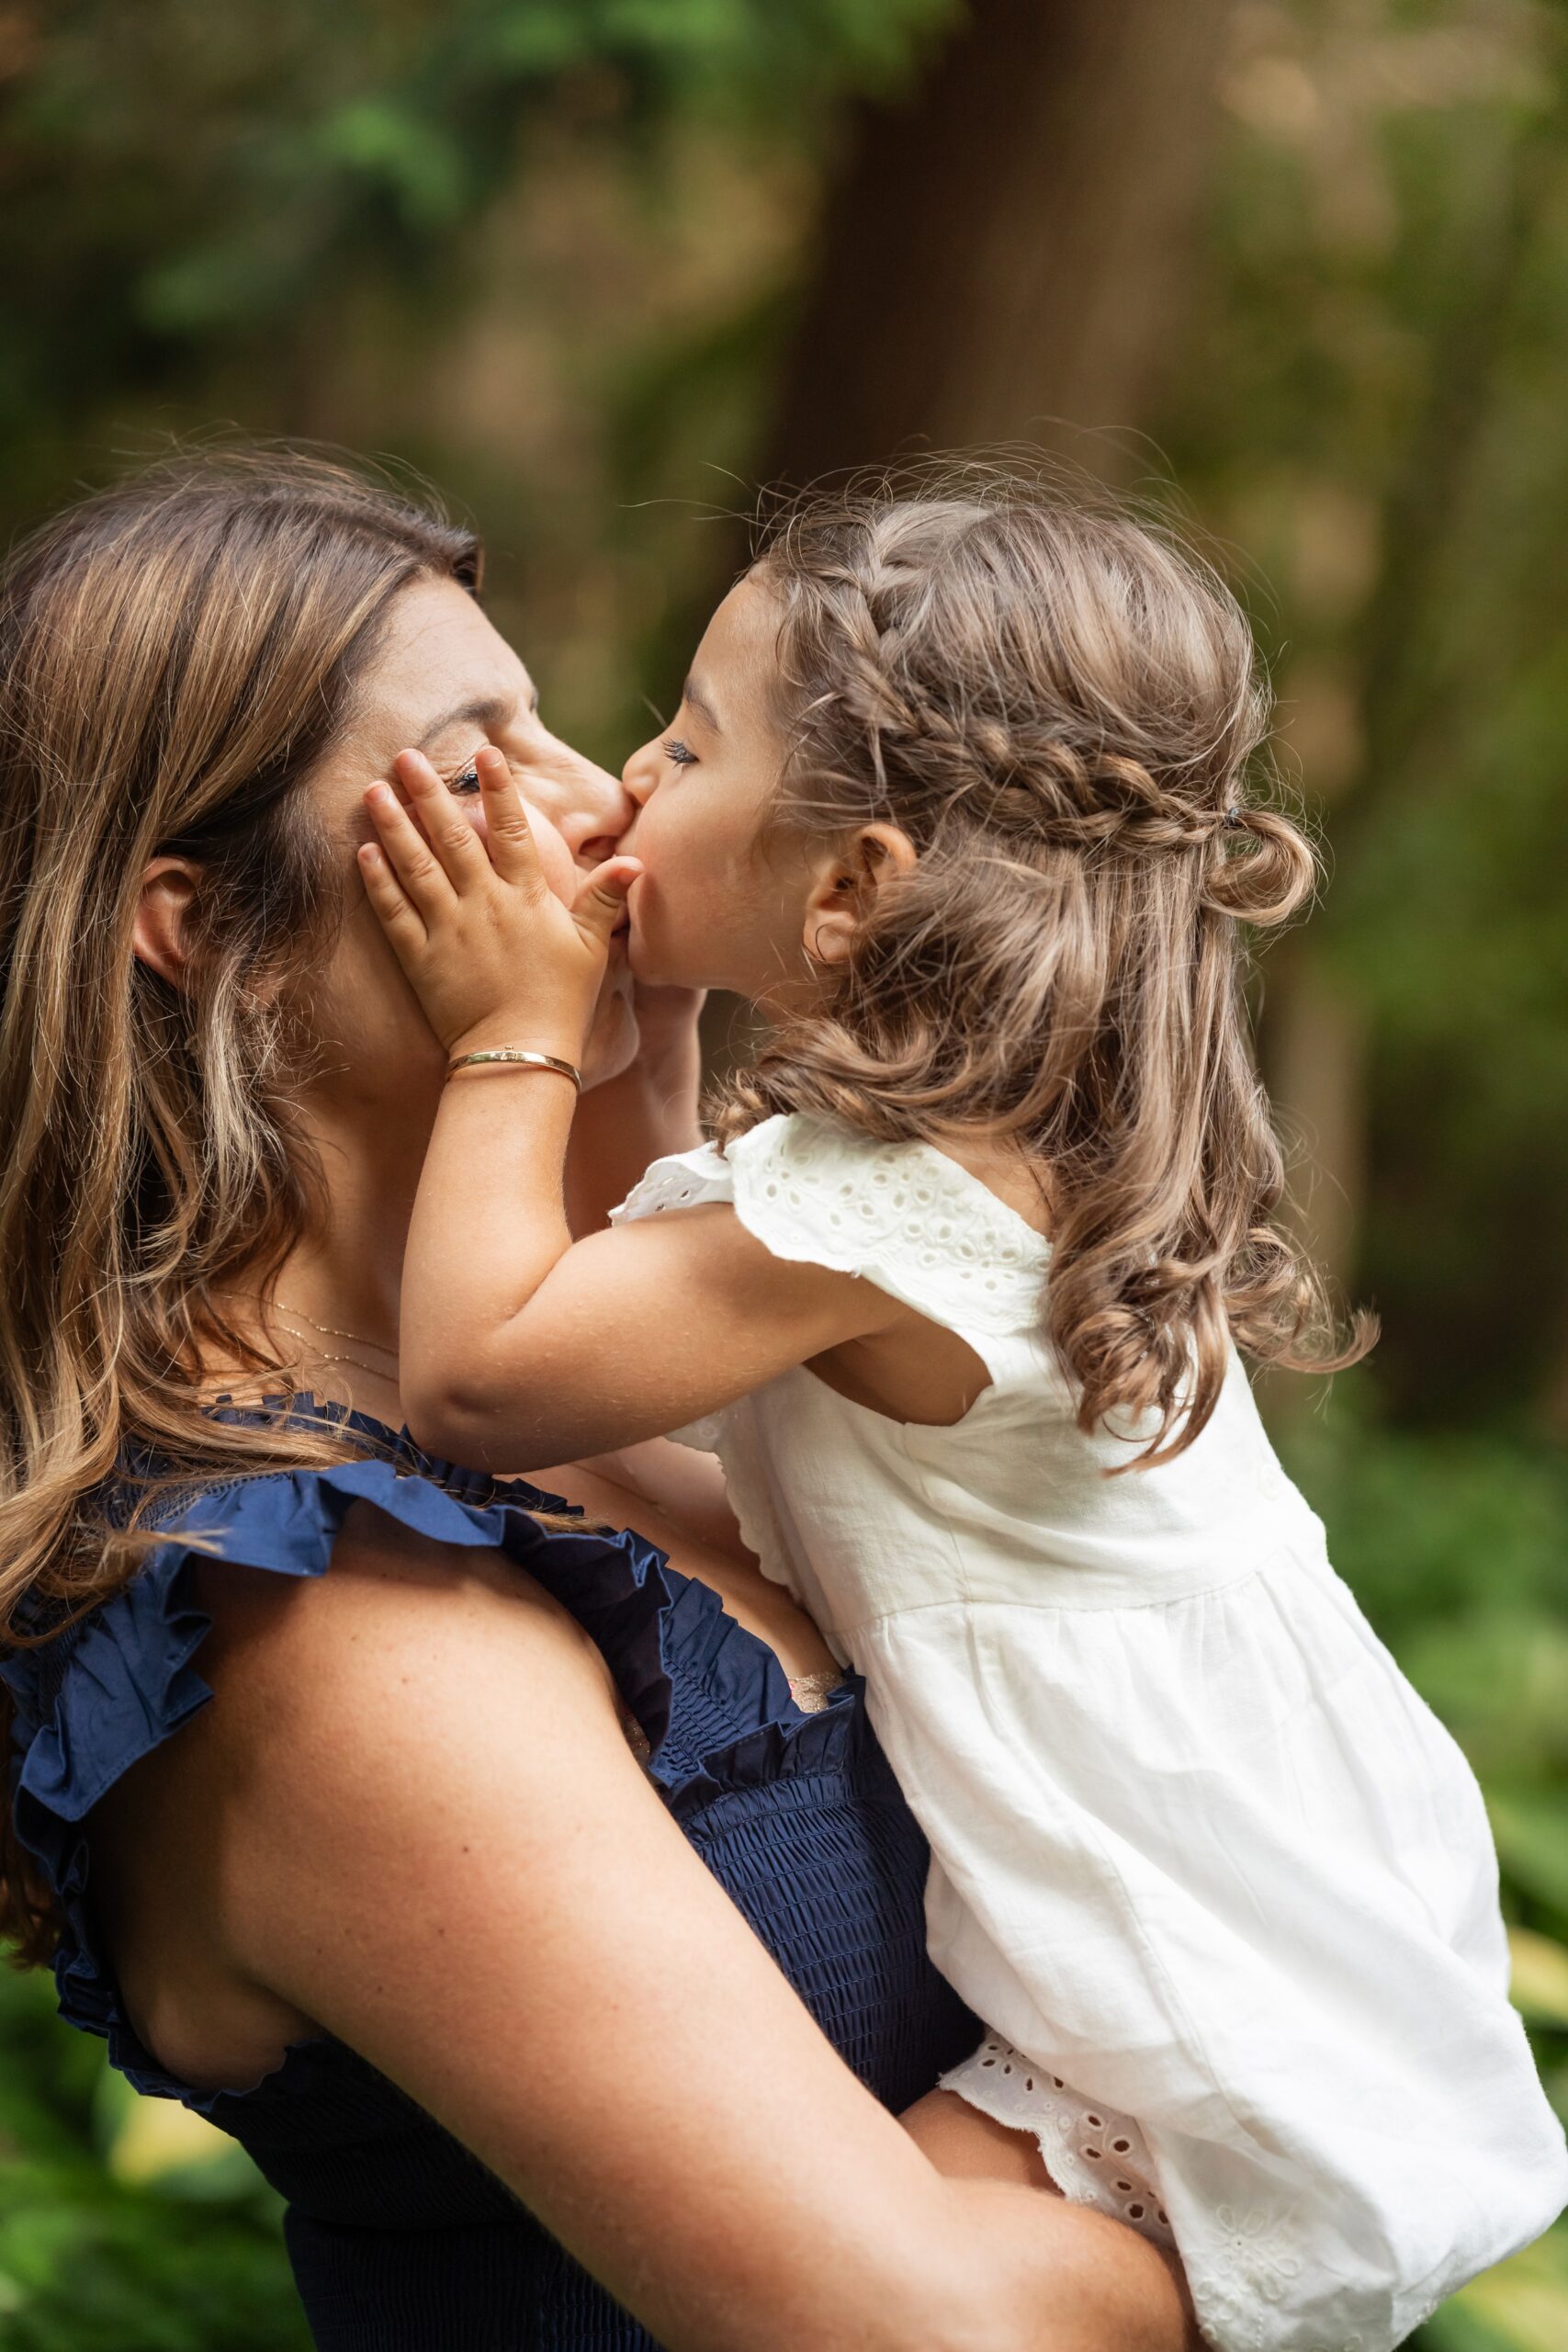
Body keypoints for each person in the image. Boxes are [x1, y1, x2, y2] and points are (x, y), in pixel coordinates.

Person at [358, 466, 1568, 2352]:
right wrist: (644, 1043)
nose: (626, 775)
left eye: (684, 742)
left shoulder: (878, 1209)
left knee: (814, 2290)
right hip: (1261, 1890)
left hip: (1171, 1984)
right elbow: (624, 1301)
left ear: (850, 886)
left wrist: (502, 1033)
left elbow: (484, 1371)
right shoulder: (971, 1157)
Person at [0, 452, 1196, 2352]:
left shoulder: (570, 1415)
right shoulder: (315, 1609)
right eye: (474, 772)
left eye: (563, 722)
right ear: (199, 925)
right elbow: (918, 2332)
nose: (599, 798)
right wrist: (1308, 2183)